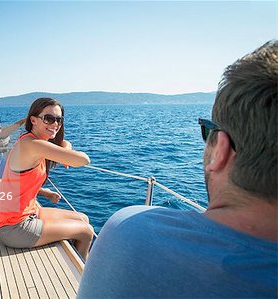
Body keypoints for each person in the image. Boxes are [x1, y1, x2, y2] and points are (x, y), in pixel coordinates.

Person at [77, 41, 278, 298]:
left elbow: (79, 160)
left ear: (221, 150)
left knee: (83, 224)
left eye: (209, 131)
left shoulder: (128, 231)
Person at [0, 98, 94, 260]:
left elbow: (65, 142)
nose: (55, 124)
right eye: (49, 118)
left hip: (28, 213)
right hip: (15, 228)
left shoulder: (32, 141)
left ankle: (74, 260)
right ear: (33, 120)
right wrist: (66, 157)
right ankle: (83, 277)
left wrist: (64, 152)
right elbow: (83, 160)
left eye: (59, 120)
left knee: (83, 218)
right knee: (86, 231)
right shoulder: (32, 145)